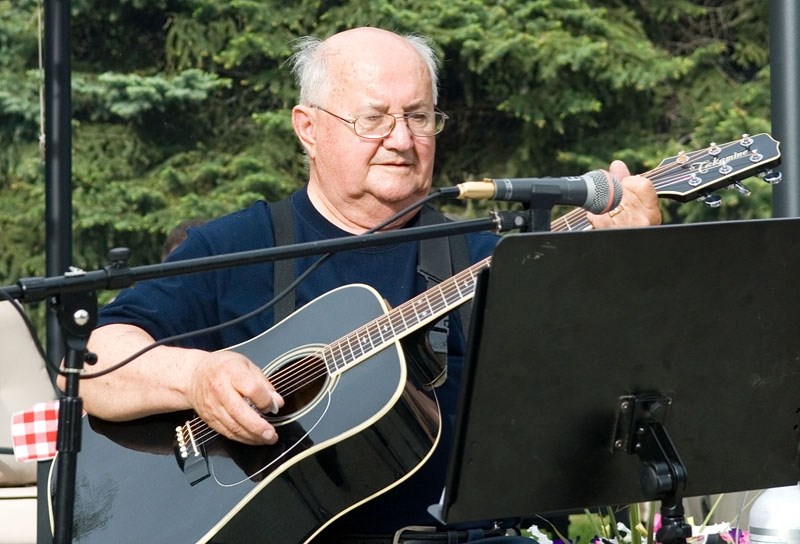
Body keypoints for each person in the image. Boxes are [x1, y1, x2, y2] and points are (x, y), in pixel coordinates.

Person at [65, 27, 661, 543]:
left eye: (419, 117)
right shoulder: (234, 247)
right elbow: (92, 368)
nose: (401, 140)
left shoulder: (487, 256)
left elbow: (602, 396)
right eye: (373, 118)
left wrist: (619, 262)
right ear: (308, 128)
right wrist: (196, 378)